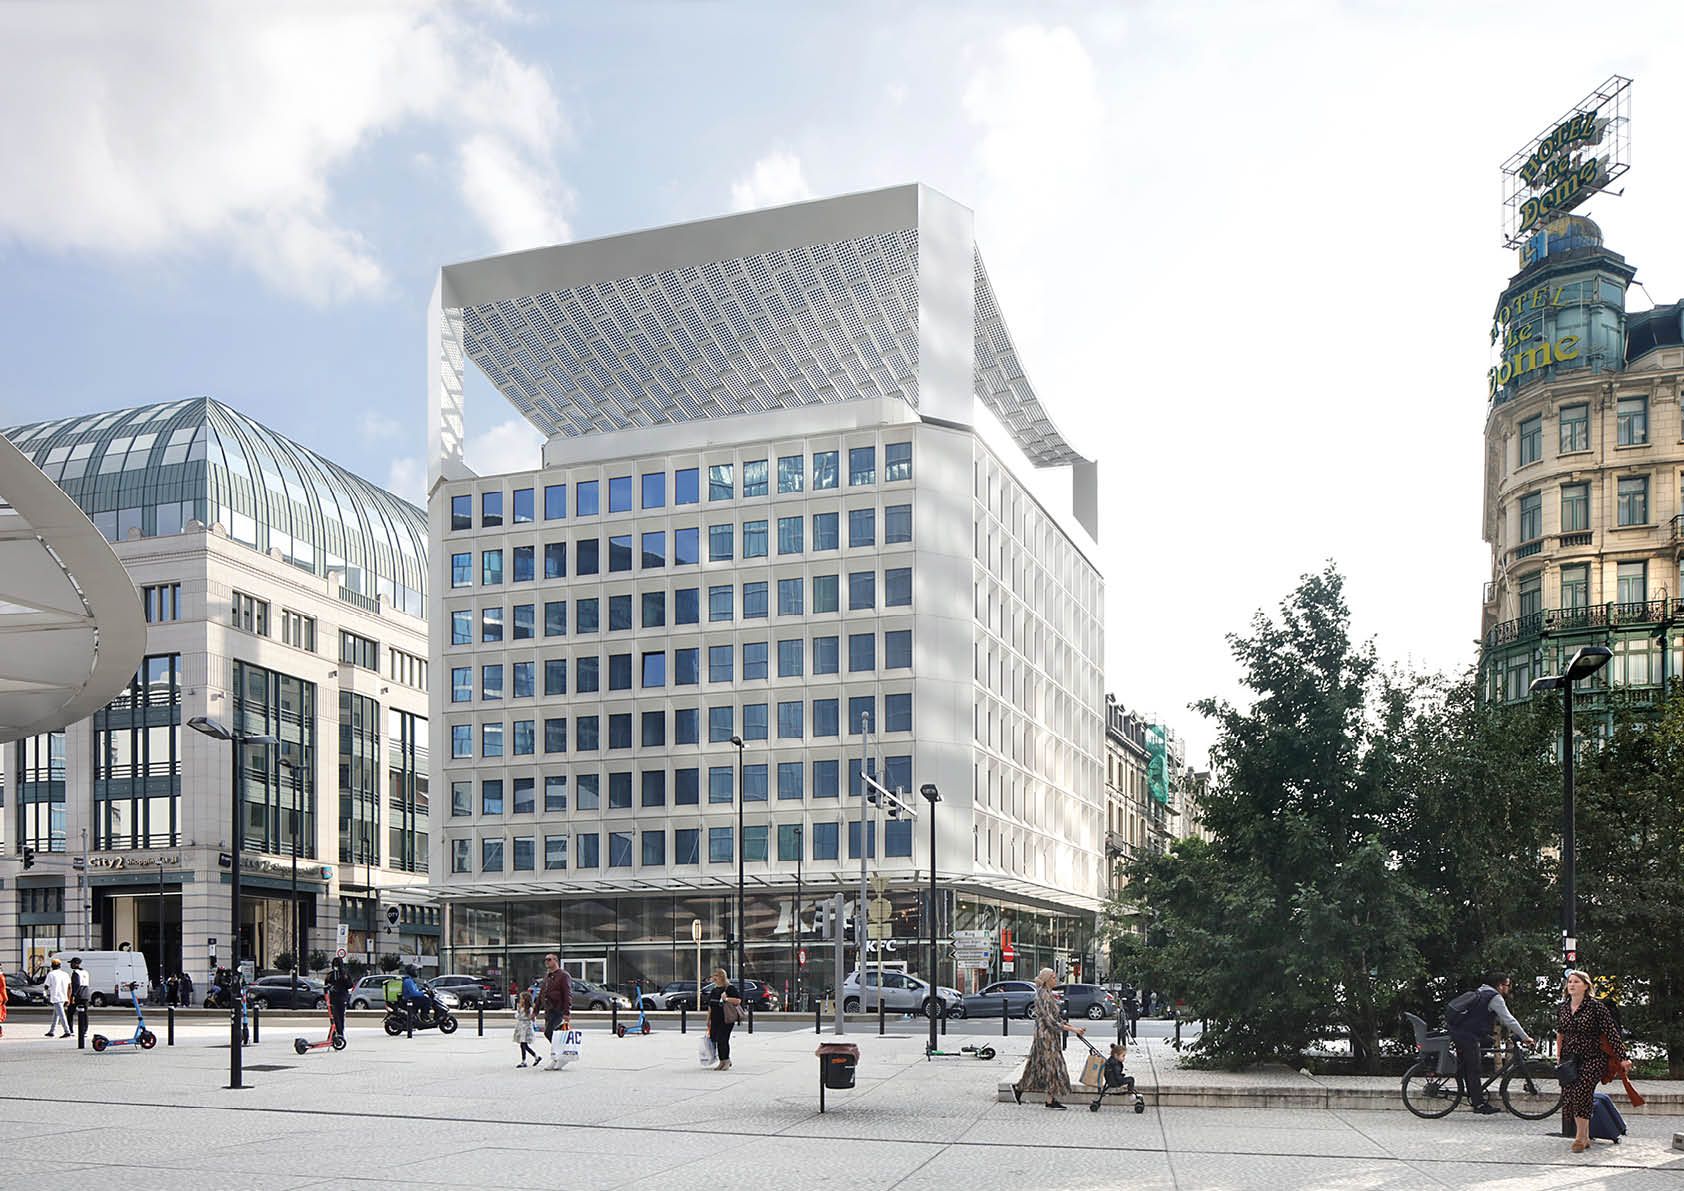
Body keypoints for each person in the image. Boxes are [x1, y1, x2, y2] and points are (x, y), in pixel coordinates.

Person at [1558, 969, 1629, 1153]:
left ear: (1586, 986)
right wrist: (1559, 1057)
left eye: (1576, 982)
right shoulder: (1563, 1008)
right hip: (1570, 1059)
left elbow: (1611, 1033)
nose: (1572, 984)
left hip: (1594, 1058)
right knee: (1571, 1095)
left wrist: (1622, 1057)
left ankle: (1580, 1137)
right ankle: (1585, 1135)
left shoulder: (1596, 1007)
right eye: (1570, 981)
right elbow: (1561, 1033)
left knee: (1582, 1091)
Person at [1446, 971, 1536, 1116]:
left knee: (1473, 1062)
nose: (1508, 988)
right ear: (1500, 986)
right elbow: (1508, 1019)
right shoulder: (1494, 997)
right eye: (1507, 985)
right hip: (1467, 1035)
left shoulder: (1482, 991)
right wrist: (1525, 1037)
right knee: (1474, 1068)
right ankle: (1479, 1104)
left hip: (1459, 1032)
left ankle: (1471, 1092)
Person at [1012, 967, 1086, 1109]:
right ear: (1046, 980)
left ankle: (1025, 1090)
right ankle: (1048, 1100)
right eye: (1053, 977)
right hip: (1045, 1037)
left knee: (1036, 1065)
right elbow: (1049, 1020)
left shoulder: (1048, 993)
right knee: (1054, 1067)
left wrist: (1072, 1026)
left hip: (1049, 1036)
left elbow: (1056, 1017)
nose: (1055, 979)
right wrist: (1072, 1029)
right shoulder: (1043, 995)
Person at [701, 967, 742, 1072]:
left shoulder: (729, 988)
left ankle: (726, 1060)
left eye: (716, 976)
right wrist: (708, 1019)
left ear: (722, 977)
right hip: (715, 1018)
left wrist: (726, 999)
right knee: (716, 1040)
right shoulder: (714, 990)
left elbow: (738, 1000)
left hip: (726, 1018)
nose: (714, 978)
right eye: (713, 976)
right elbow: (710, 1006)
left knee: (723, 1039)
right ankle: (722, 1061)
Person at [536, 953, 572, 1070]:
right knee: (552, 1034)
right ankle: (558, 1057)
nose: (546, 962)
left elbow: (567, 994)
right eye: (545, 960)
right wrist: (536, 1010)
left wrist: (567, 1012)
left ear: (555, 961)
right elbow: (541, 994)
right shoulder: (547, 976)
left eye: (549, 959)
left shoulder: (563, 975)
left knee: (549, 1032)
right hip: (549, 1009)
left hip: (558, 1009)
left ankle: (559, 1057)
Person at [44, 958, 71, 1038]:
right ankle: (52, 1031)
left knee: (61, 1014)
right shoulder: (65, 974)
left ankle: (67, 1031)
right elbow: (70, 986)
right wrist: (68, 998)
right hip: (64, 996)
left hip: (56, 996)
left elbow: (46, 986)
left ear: (52, 966)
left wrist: (46, 994)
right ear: (60, 966)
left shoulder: (51, 974)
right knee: (56, 1014)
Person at [326, 959, 351, 1040]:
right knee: (334, 1016)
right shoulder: (330, 975)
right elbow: (326, 984)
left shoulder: (345, 974)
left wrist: (345, 979)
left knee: (340, 1016)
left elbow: (350, 985)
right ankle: (335, 1032)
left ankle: (340, 1033)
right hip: (333, 998)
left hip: (341, 997)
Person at [513, 990, 540, 1068]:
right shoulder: (521, 1008)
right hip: (521, 1028)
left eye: (521, 999)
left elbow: (527, 1017)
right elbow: (516, 1016)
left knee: (523, 1045)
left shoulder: (529, 1009)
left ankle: (525, 1061)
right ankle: (535, 1057)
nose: (520, 1000)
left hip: (526, 1028)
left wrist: (519, 1012)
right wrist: (518, 1010)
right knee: (523, 1045)